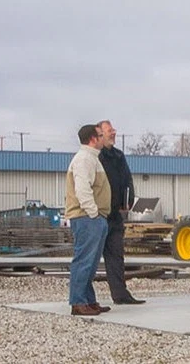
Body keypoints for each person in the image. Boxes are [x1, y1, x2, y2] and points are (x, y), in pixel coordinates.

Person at [65, 123, 111, 317]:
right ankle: (78, 302)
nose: (103, 138)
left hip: (92, 217)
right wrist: (93, 213)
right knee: (84, 260)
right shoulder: (84, 159)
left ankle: (88, 300)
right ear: (93, 138)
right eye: (101, 135)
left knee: (90, 262)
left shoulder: (92, 158)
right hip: (87, 218)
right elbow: (83, 189)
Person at [97, 119, 146, 305]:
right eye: (110, 130)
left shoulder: (118, 156)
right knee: (91, 257)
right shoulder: (96, 157)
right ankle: (83, 298)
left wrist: (129, 200)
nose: (114, 133)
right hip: (98, 215)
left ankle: (120, 294)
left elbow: (127, 180)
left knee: (116, 256)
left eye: (113, 130)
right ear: (100, 134)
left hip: (116, 215)